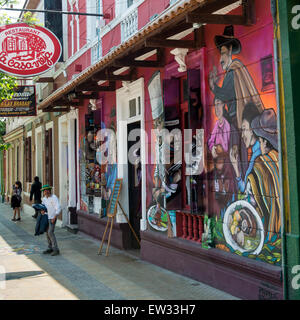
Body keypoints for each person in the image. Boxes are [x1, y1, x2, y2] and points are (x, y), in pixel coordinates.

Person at [40, 184, 61, 256]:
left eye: (45, 191)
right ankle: (50, 247)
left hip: (52, 218)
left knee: (50, 232)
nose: (44, 192)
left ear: (49, 190)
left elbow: (58, 208)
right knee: (47, 233)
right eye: (43, 191)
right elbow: (43, 208)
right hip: (46, 217)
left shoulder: (54, 198)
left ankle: (56, 249)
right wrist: (42, 211)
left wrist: (54, 217)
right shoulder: (44, 199)